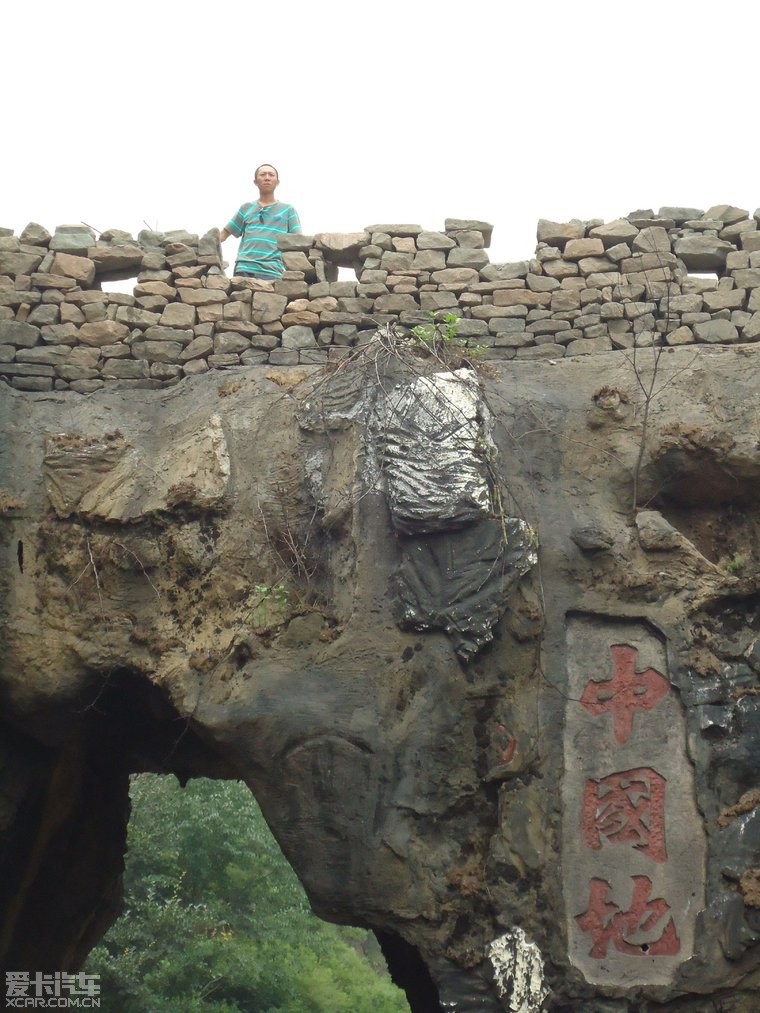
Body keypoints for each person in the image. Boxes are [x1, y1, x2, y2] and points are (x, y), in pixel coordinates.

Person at [219, 164, 301, 281]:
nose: (267, 178)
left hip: (272, 271)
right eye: (262, 175)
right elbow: (223, 235)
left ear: (277, 182)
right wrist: (199, 248)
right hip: (244, 269)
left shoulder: (288, 210)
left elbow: (298, 242)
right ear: (255, 182)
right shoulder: (246, 208)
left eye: (271, 175)